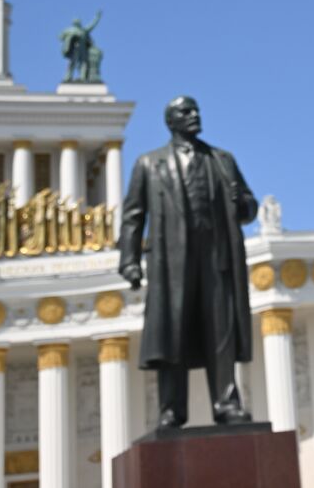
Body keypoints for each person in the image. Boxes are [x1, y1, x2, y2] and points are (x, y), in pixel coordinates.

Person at [117, 95, 259, 428]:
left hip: (216, 257)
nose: (194, 115)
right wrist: (130, 261)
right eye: (186, 111)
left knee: (220, 331)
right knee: (172, 334)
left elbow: (248, 208)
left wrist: (243, 204)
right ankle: (171, 409)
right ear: (171, 122)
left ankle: (227, 403)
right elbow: (133, 216)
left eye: (196, 110)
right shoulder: (149, 164)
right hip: (171, 263)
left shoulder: (221, 160)